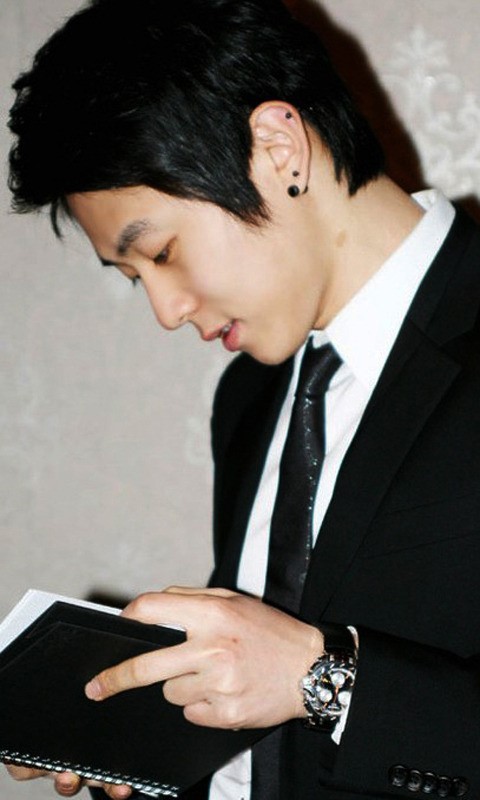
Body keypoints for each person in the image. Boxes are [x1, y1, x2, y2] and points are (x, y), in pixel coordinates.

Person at [6, 0, 480, 799]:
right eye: (133, 277)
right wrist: (145, 730)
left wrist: (323, 678)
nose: (165, 312)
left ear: (277, 147)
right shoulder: (251, 394)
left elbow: (309, 681)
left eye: (161, 252)